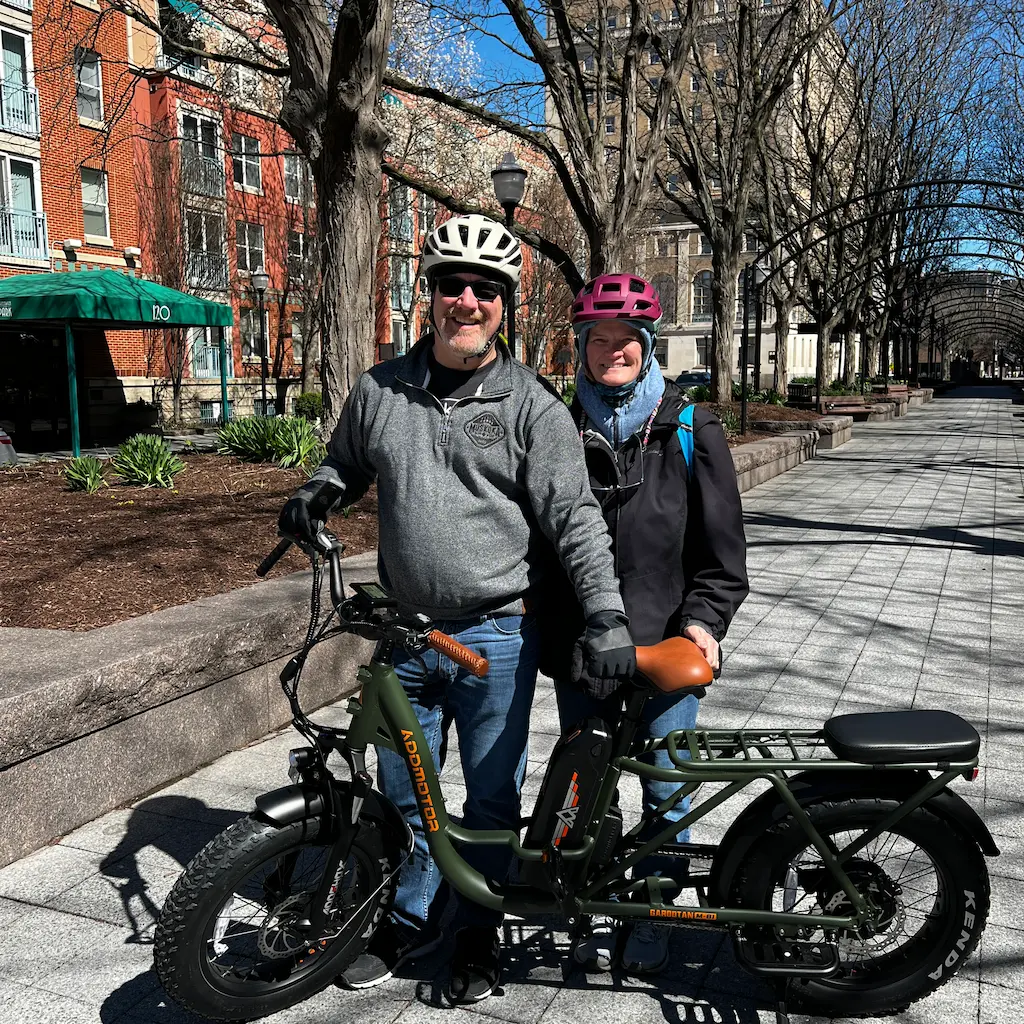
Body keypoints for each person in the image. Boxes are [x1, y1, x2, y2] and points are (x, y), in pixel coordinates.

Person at [277, 215, 635, 1005]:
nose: (466, 301)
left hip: (496, 636)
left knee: (490, 798)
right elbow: (346, 461)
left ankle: (476, 928)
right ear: (429, 293)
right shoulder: (380, 389)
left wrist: (606, 614)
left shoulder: (531, 405)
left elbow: (574, 517)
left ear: (504, 305)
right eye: (452, 285)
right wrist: (317, 492)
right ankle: (406, 919)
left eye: (485, 290)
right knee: (403, 792)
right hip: (406, 633)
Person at [544, 272, 748, 975]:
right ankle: (589, 899)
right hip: (587, 649)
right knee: (585, 785)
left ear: (648, 344)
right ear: (581, 347)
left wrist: (704, 621)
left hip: (665, 644)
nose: (612, 352)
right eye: (597, 339)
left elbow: (723, 555)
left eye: (625, 339)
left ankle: (655, 909)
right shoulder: (558, 428)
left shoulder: (691, 428)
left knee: (666, 787)